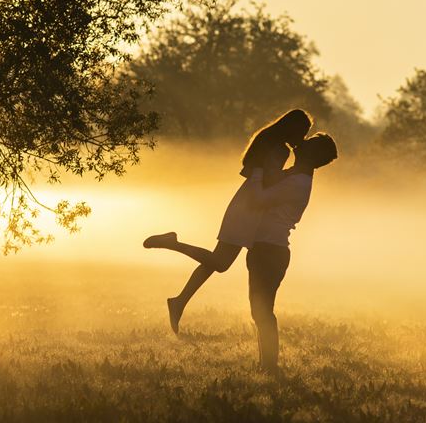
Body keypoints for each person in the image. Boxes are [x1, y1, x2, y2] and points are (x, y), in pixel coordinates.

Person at [143, 109, 313, 334]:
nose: (302, 138)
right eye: (303, 132)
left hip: (245, 202)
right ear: (293, 127)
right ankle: (172, 244)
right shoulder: (279, 150)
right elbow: (268, 181)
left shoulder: (265, 139)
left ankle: (179, 302)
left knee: (215, 261)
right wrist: (292, 174)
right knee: (220, 263)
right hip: (250, 209)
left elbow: (251, 173)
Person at [246, 132, 338, 375]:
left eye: (309, 143)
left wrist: (256, 171)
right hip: (267, 248)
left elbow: (258, 200)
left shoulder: (297, 182)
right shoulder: (296, 176)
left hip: (269, 249)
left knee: (262, 310)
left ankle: (269, 365)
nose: (302, 141)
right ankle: (266, 364)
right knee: (260, 310)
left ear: (311, 154)